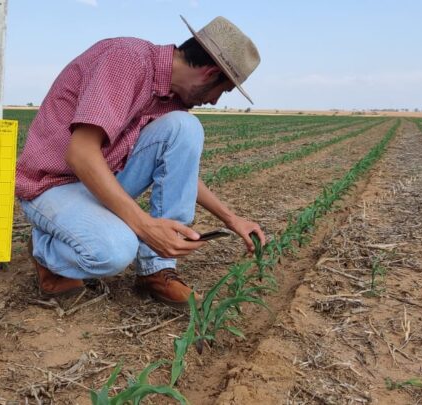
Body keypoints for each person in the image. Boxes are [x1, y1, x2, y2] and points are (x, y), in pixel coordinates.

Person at [15, 16, 266, 307]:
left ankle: (157, 270)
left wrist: (232, 219)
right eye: (221, 91)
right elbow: (81, 154)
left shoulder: (171, 99)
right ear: (210, 73)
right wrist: (146, 227)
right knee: (115, 250)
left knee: (185, 127)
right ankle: (46, 251)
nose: (214, 102)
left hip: (98, 178)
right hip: (52, 185)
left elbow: (180, 173)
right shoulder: (126, 60)